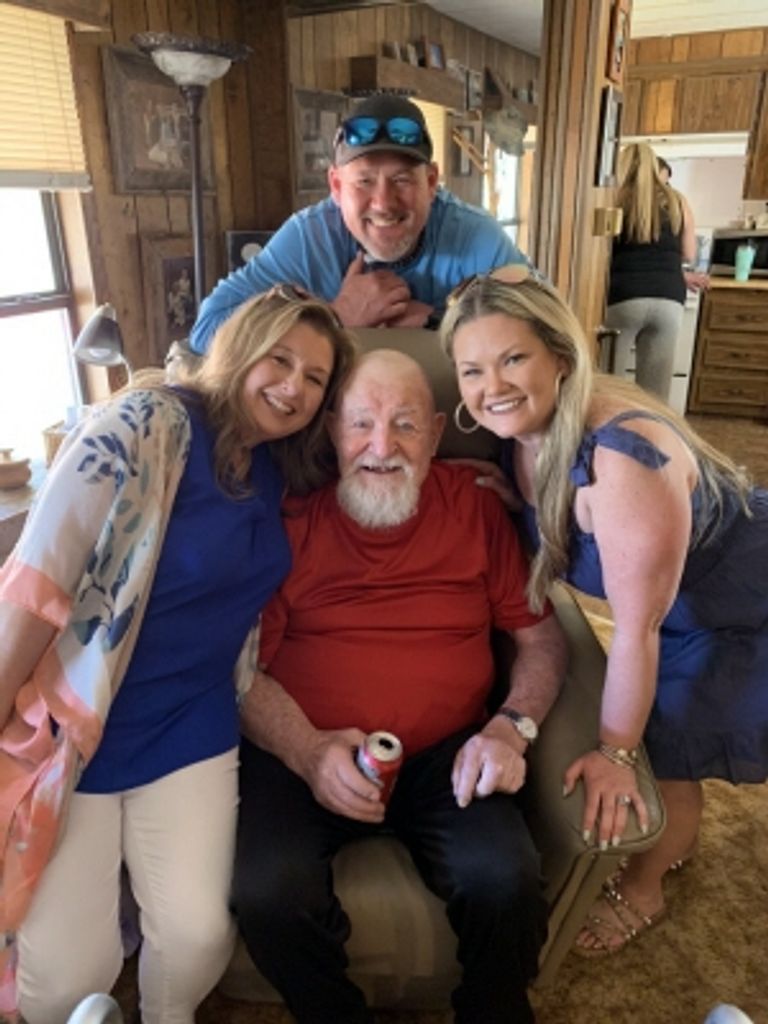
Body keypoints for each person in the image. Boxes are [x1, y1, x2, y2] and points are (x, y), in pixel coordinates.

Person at [0, 287, 356, 1024]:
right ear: (238, 349)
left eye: (315, 378)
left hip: (194, 726)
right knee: (67, 982)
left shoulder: (276, 464)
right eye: (279, 359)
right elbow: (35, 584)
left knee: (198, 939)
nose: (293, 387)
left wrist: (495, 482)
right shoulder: (144, 423)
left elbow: (385, 452)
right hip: (85, 726)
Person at [440, 266, 768, 958]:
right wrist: (519, 504)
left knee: (664, 746)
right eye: (472, 370)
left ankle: (645, 886)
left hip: (744, 602)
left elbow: (636, 631)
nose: (492, 386)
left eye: (513, 359)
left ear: (561, 356)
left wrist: (615, 753)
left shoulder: (624, 457)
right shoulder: (523, 432)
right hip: (680, 606)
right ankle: (671, 840)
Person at [232, 349, 567, 1024]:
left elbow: (541, 640)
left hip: (450, 752)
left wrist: (511, 728)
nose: (382, 447)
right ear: (332, 429)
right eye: (362, 423)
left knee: (505, 881)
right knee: (267, 892)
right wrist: (307, 751)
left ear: (437, 433)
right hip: (308, 749)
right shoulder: (289, 522)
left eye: (406, 425)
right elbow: (242, 674)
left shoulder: (476, 509)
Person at [190, 93, 531, 353]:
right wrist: (332, 319)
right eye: (364, 182)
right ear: (336, 186)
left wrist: (440, 322)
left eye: (401, 180)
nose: (383, 203)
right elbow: (206, 331)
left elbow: (548, 329)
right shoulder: (309, 238)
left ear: (431, 182)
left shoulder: (473, 234)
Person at [606, 141, 698, 401]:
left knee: (610, 384)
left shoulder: (614, 199)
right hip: (669, 298)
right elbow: (689, 253)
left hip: (624, 297)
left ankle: (610, 427)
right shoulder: (678, 201)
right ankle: (650, 428)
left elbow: (600, 251)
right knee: (655, 394)